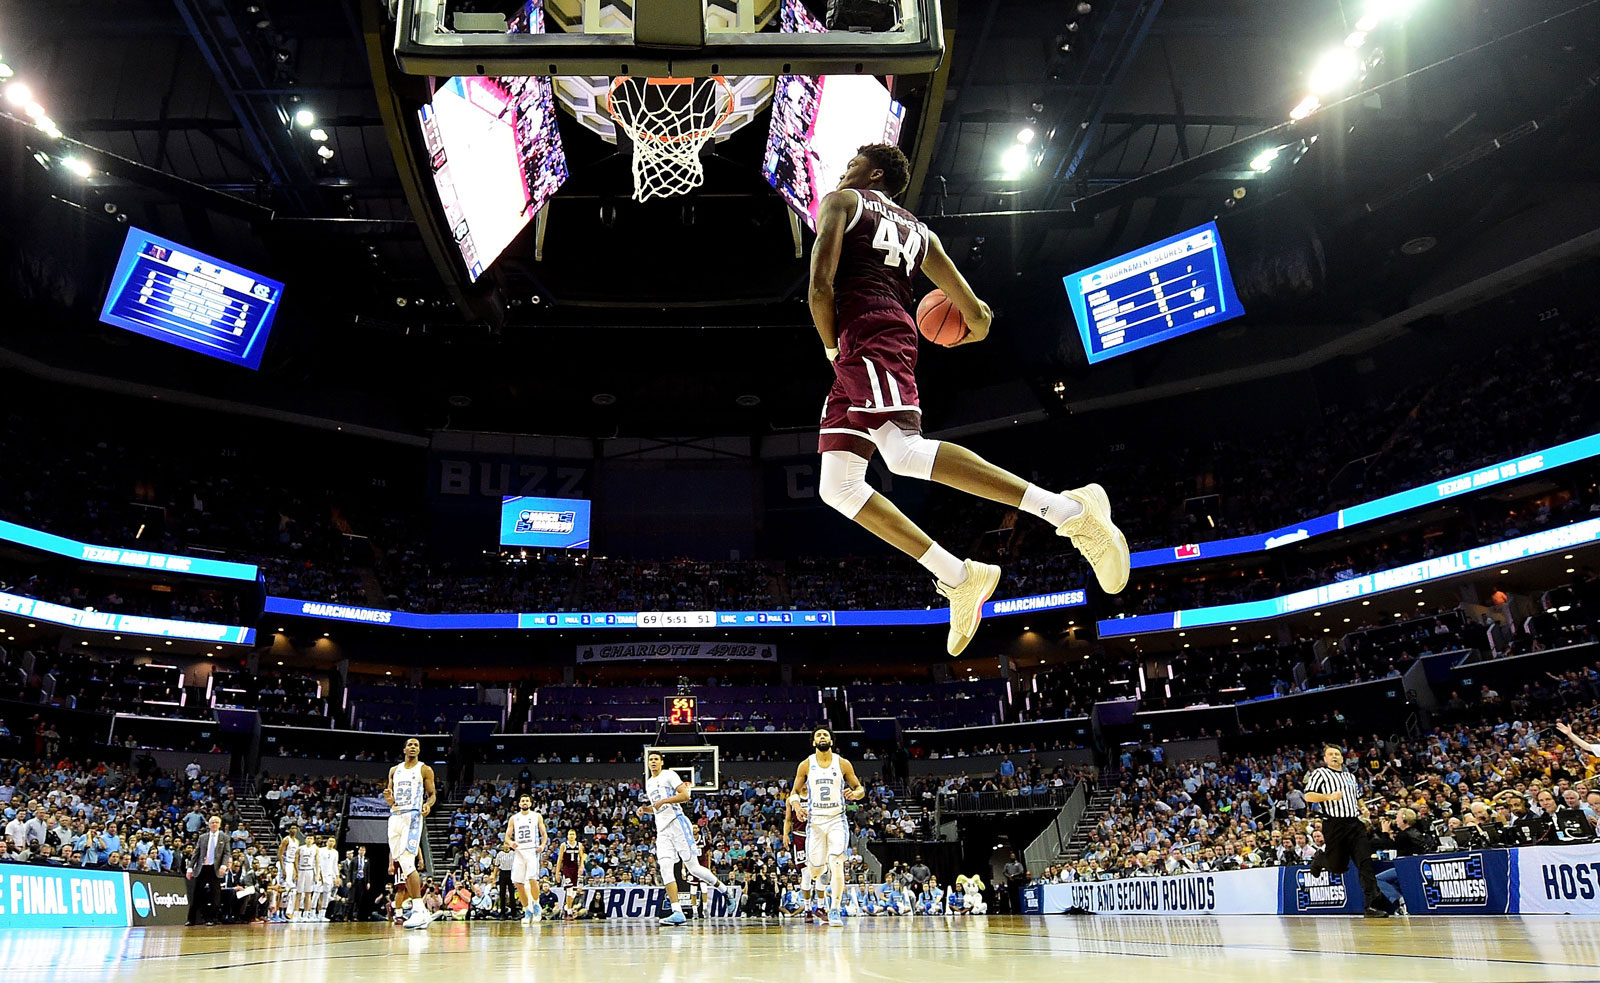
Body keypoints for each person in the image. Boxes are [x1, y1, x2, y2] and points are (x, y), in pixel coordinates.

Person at [807, 142, 1130, 656]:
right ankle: (958, 576)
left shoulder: (841, 202)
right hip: (887, 330)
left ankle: (1070, 511)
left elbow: (820, 288)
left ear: (870, 172)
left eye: (849, 166)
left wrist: (830, 348)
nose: (843, 171)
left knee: (904, 452)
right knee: (838, 487)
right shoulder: (923, 234)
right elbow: (978, 319)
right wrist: (958, 324)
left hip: (862, 332)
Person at [637, 751, 728, 926]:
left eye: (656, 759)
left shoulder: (669, 775)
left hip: (678, 823)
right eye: (650, 760)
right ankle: (677, 911)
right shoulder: (649, 783)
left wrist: (664, 801)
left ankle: (724, 891)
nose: (653, 762)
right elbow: (657, 807)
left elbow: (685, 796)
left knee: (693, 868)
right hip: (662, 830)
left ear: (662, 762)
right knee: (664, 868)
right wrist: (645, 810)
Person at [791, 727, 866, 926]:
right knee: (815, 870)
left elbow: (860, 789)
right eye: (818, 735)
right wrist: (797, 805)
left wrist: (855, 794)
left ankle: (835, 909)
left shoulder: (842, 763)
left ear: (831, 741)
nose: (822, 737)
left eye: (825, 735)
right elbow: (794, 793)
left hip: (836, 820)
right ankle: (821, 875)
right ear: (813, 742)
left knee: (837, 862)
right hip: (815, 822)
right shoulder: (806, 764)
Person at [1303, 744, 1387, 918]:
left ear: (1342, 758)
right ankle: (1320, 859)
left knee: (1365, 862)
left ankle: (1371, 905)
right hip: (1334, 824)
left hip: (1355, 824)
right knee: (1337, 867)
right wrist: (1329, 797)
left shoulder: (1350, 776)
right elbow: (1308, 796)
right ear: (1325, 759)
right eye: (1330, 754)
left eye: (1337, 754)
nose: (1334, 757)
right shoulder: (1320, 773)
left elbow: (1357, 797)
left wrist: (1363, 808)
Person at [386, 737, 438, 929]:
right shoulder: (394, 770)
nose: (413, 747)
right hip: (395, 816)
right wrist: (389, 799)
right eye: (410, 744)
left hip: (413, 816)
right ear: (404, 749)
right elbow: (390, 798)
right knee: (402, 863)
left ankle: (417, 908)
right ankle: (421, 911)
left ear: (419, 750)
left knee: (408, 861)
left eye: (416, 745)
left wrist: (428, 805)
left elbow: (432, 794)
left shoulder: (424, 769)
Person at [1371, 808, 1434, 914]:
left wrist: (1385, 832)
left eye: (1397, 817)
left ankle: (1401, 901)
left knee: (1378, 879)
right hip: (1413, 866)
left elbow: (1388, 846)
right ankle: (1402, 905)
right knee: (1393, 884)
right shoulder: (1415, 832)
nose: (1396, 820)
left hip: (1406, 868)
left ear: (1404, 820)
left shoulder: (1404, 835)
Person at [505, 794, 549, 922]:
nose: (524, 802)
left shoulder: (536, 816)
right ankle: (527, 910)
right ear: (519, 804)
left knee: (532, 880)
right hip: (519, 852)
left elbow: (544, 834)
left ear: (530, 803)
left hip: (532, 851)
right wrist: (510, 843)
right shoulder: (514, 818)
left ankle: (536, 905)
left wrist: (542, 845)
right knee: (518, 884)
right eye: (522, 800)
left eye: (527, 801)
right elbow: (507, 837)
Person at [187, 815, 226, 925]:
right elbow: (196, 853)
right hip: (202, 867)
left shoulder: (224, 837)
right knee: (196, 894)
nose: (214, 824)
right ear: (209, 825)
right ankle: (191, 919)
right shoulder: (202, 837)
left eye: (216, 822)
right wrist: (190, 867)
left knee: (215, 895)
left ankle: (211, 919)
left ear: (219, 825)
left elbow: (227, 853)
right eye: (212, 822)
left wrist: (223, 865)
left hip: (215, 869)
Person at [556, 827, 586, 894]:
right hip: (567, 868)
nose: (571, 836)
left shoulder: (579, 845)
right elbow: (559, 860)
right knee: (569, 890)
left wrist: (581, 867)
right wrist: (557, 873)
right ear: (567, 836)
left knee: (574, 892)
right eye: (570, 834)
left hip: (575, 868)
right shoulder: (564, 845)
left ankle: (569, 904)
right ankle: (569, 904)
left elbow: (581, 857)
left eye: (573, 834)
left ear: (575, 836)